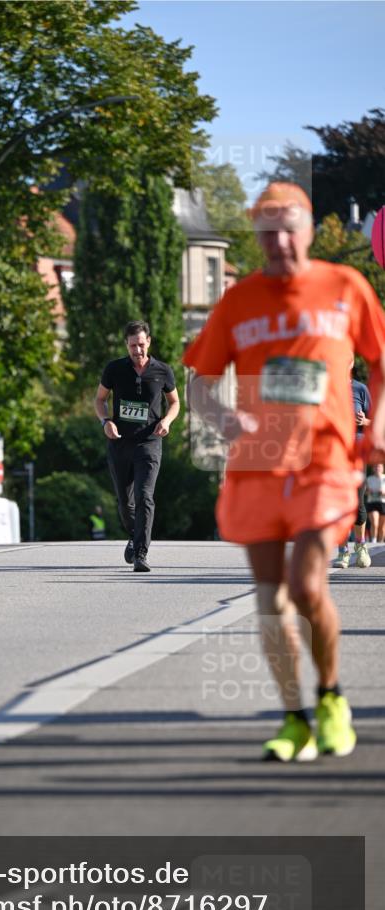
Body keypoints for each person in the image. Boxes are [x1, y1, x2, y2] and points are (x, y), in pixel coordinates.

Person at [183, 181, 385, 761]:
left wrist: (378, 431)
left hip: (327, 460)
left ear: (309, 230)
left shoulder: (345, 287)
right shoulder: (240, 300)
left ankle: (331, 698)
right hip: (259, 464)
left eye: (288, 228)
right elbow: (198, 382)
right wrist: (222, 418)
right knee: (271, 599)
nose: (278, 241)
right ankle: (295, 716)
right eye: (266, 231)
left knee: (306, 585)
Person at [95, 320, 180, 572]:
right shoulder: (114, 369)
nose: (137, 350)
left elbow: (175, 402)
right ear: (126, 345)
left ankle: (141, 553)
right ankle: (134, 536)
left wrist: (167, 420)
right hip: (119, 442)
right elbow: (100, 400)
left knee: (145, 496)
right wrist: (105, 422)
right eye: (133, 346)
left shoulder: (162, 371)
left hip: (149, 442)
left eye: (141, 345)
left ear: (149, 342)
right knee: (125, 501)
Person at [334, 359, 372, 568]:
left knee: (357, 502)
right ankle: (342, 552)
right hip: (334, 454)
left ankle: (361, 546)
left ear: (349, 364)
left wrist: (365, 422)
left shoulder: (360, 389)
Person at [366, 462, 385, 542]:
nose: (377, 468)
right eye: (376, 467)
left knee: (382, 526)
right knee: (374, 523)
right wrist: (368, 492)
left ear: (382, 468)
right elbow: (365, 492)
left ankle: (380, 542)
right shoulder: (369, 479)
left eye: (379, 467)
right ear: (373, 469)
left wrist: (383, 492)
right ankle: (373, 541)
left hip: (383, 502)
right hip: (372, 502)